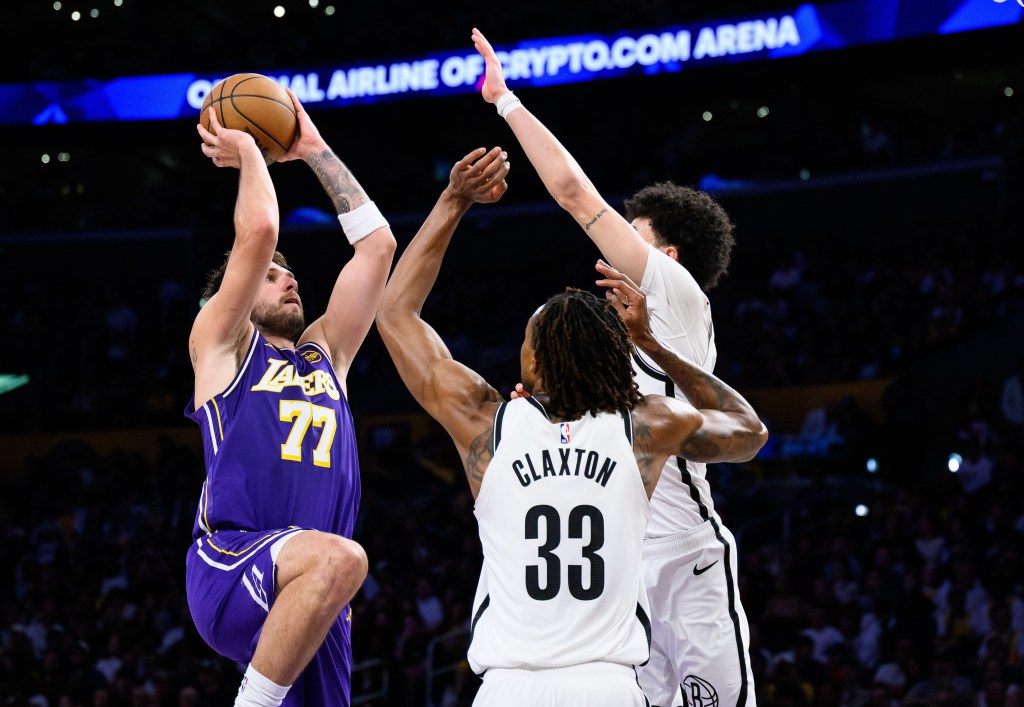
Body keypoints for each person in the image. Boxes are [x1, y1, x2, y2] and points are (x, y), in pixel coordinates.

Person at [375, 144, 767, 705]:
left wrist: (453, 200)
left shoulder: (486, 424)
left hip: (507, 687)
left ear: (531, 366)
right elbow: (748, 431)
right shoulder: (645, 430)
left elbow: (395, 314)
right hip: (607, 683)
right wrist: (651, 344)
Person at [471, 27, 754, 707]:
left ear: (671, 256)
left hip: (685, 557)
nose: (621, 241)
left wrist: (506, 101)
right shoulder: (614, 337)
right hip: (619, 576)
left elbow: (574, 194)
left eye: (639, 234)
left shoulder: (677, 296)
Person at [184, 90, 396, 707]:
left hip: (316, 588)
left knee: (336, 567)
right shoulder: (221, 346)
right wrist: (250, 150)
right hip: (233, 560)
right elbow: (259, 229)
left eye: (289, 272)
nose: (290, 277)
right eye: (271, 275)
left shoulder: (325, 354)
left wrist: (314, 150)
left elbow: (378, 248)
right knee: (343, 559)